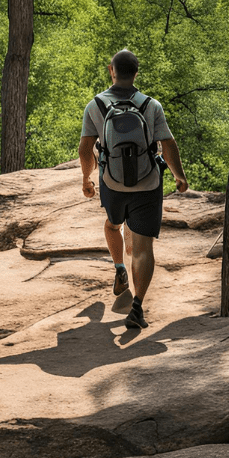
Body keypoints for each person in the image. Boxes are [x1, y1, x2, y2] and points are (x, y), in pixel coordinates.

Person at [78, 49, 188, 329]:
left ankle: (119, 270)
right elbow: (168, 145)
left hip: (112, 183)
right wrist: (178, 176)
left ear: (110, 70)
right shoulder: (151, 106)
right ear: (136, 73)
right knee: (142, 247)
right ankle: (137, 306)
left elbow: (85, 148)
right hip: (147, 184)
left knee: (113, 226)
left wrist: (86, 179)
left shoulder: (96, 105)